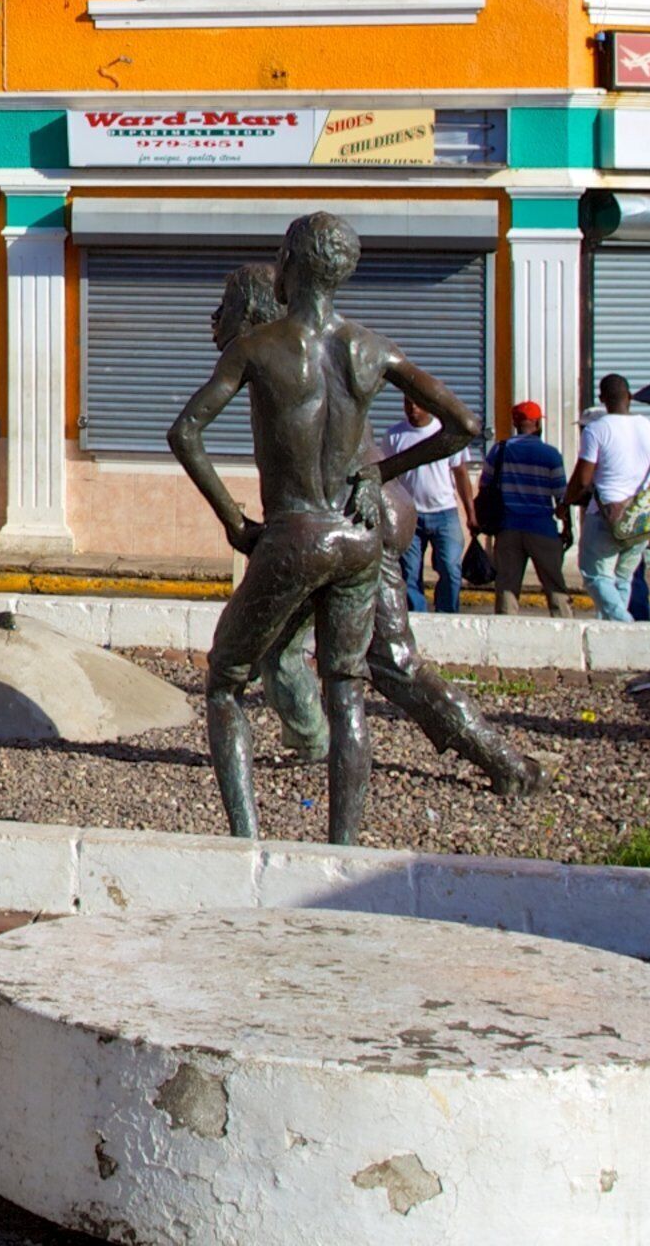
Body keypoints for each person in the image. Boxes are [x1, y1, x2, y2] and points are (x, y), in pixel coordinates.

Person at [171, 215, 485, 845]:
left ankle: (247, 839)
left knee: (225, 679)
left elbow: (185, 433)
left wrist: (236, 523)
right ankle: (341, 847)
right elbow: (463, 426)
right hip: (360, 538)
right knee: (346, 688)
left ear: (288, 265)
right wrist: (377, 472)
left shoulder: (258, 348)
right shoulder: (371, 347)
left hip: (298, 531)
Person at [566, 376, 650, 625]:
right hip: (642, 518)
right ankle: (617, 633)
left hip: (606, 515)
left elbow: (583, 480)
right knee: (622, 579)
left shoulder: (597, 429)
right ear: (631, 397)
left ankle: (625, 624)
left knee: (595, 576)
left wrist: (566, 501)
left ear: (602, 399)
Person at [371, 393, 480, 614]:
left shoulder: (446, 434)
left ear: (429, 407)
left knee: (450, 567)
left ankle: (448, 614)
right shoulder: (394, 436)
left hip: (445, 513)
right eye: (407, 403)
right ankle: (415, 617)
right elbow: (387, 476)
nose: (412, 408)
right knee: (409, 572)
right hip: (409, 515)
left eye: (417, 404)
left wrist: (471, 513)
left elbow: (461, 474)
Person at [477, 401, 577, 616]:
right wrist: (568, 528)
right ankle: (566, 630)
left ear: (515, 422)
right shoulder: (550, 454)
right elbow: (562, 497)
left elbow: (485, 485)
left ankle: (504, 635)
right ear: (537, 423)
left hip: (508, 528)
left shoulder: (499, 451)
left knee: (507, 587)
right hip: (542, 529)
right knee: (555, 586)